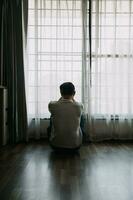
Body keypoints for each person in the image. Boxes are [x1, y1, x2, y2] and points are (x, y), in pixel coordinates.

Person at [48, 82, 84, 151]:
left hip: (55, 146)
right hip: (75, 147)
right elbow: (75, 103)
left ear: (61, 93)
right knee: (81, 116)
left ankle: (56, 138)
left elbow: (58, 102)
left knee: (53, 115)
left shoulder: (52, 105)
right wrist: (72, 98)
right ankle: (76, 139)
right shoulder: (79, 106)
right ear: (74, 93)